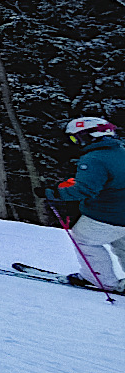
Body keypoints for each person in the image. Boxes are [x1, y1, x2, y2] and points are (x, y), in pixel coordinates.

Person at [51, 117, 125, 291]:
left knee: (84, 239)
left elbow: (85, 190)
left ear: (90, 136)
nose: (75, 143)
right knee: (121, 243)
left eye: (75, 138)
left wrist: (54, 192)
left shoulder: (94, 158)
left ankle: (101, 281)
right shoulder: (120, 151)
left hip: (107, 214)